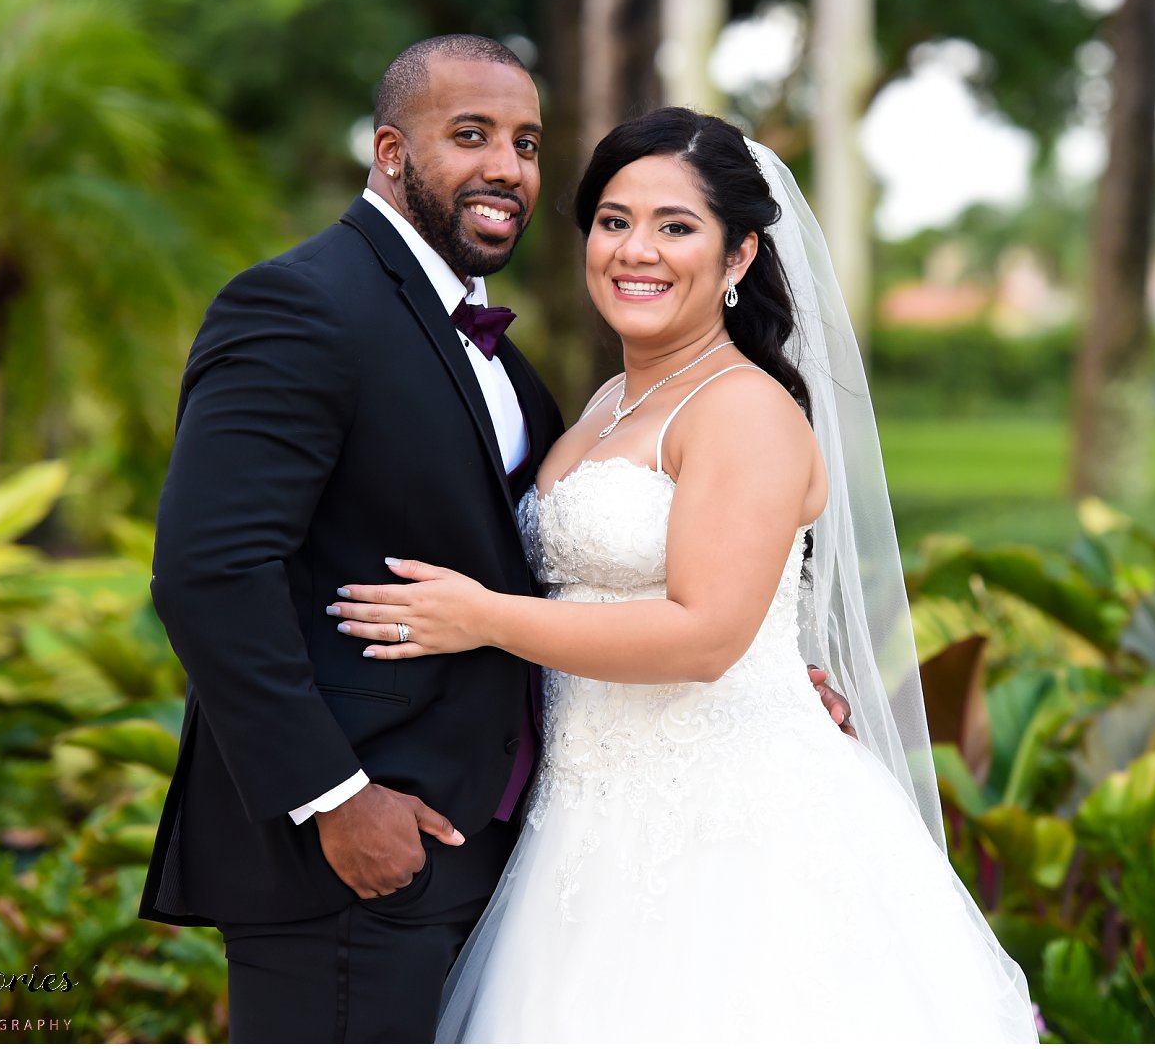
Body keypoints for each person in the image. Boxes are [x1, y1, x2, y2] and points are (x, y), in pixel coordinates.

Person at [140, 38, 853, 1043]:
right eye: (469, 134)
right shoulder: (301, 304)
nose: (507, 167)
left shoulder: (519, 372)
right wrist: (333, 796)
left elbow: (625, 587)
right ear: (391, 152)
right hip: (351, 853)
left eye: (525, 142)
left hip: (534, 854)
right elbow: (209, 570)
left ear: (738, 254)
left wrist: (773, 668)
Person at [331, 108, 1040, 1043]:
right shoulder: (609, 401)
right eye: (615, 221)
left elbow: (707, 635)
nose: (638, 251)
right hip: (582, 830)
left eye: (677, 227)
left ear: (740, 255)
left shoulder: (742, 409)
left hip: (729, 836)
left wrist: (484, 617)